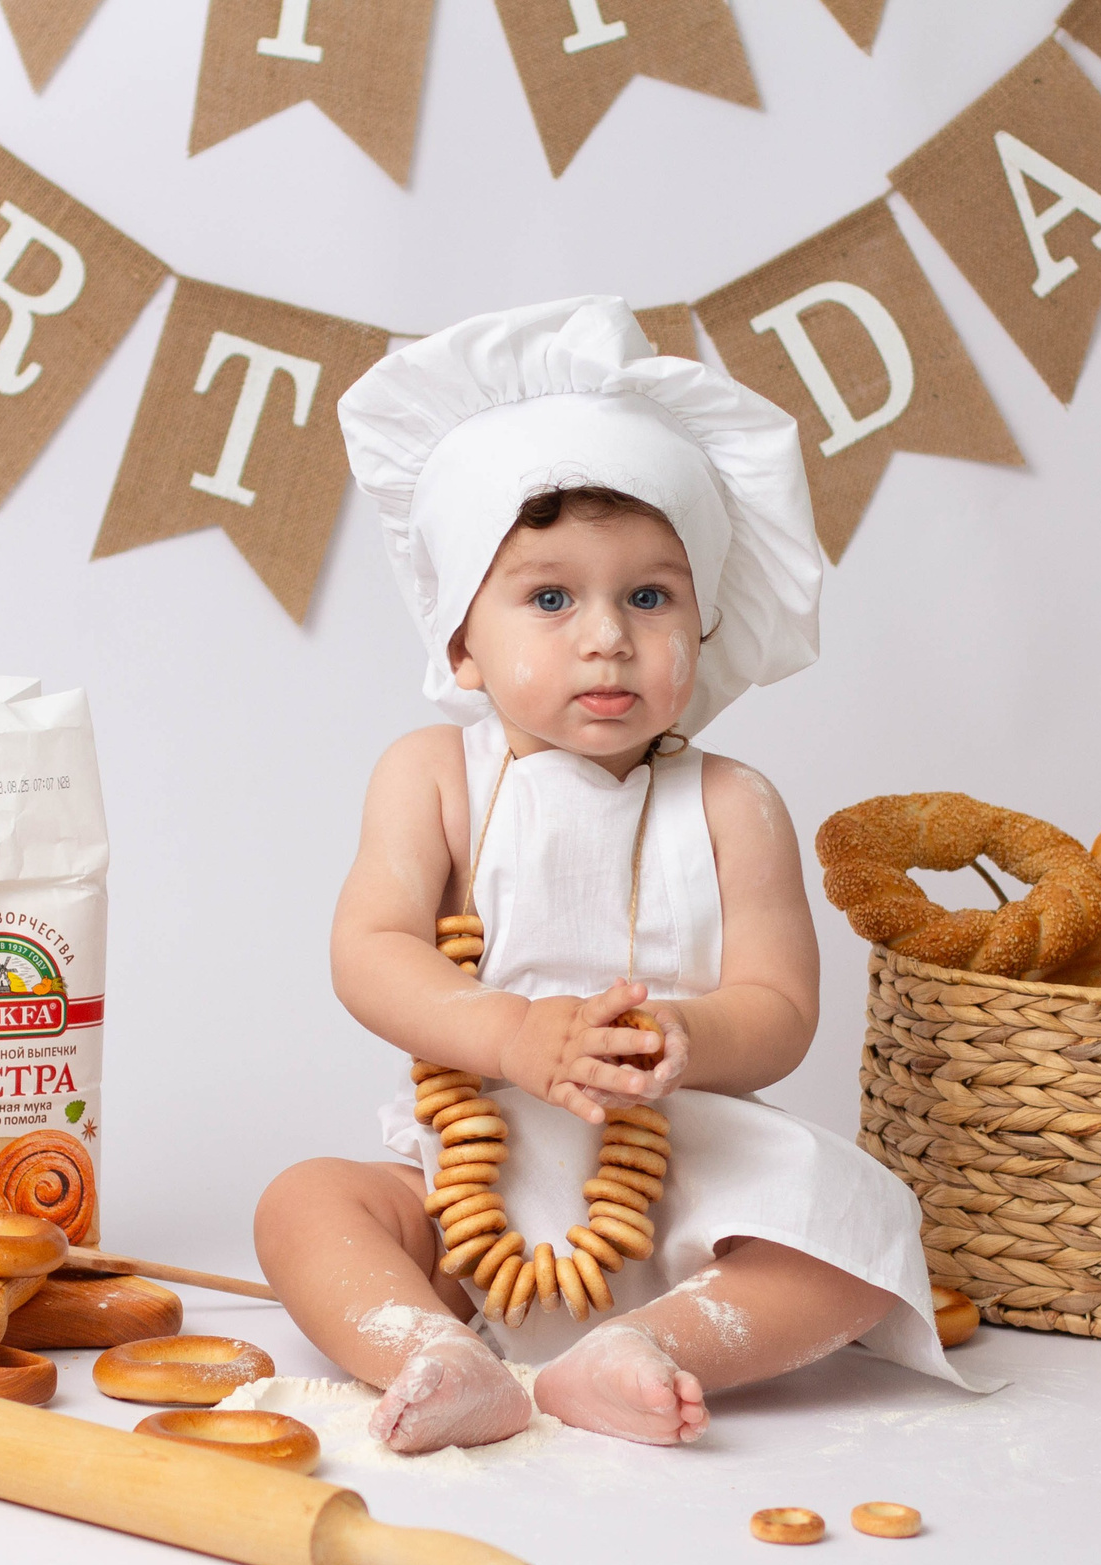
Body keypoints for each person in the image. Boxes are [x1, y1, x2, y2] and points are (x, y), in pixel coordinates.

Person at [253, 298, 976, 1454]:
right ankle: (433, 1351)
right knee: (303, 1202)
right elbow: (372, 947)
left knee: (863, 1231)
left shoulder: (733, 802)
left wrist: (688, 1037)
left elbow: (782, 1009)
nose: (606, 636)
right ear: (459, 639)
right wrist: (506, 1034)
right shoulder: (433, 774)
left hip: (685, 1169)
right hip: (470, 1164)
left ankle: (649, 1346)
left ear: (703, 620)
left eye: (650, 596)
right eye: (550, 597)